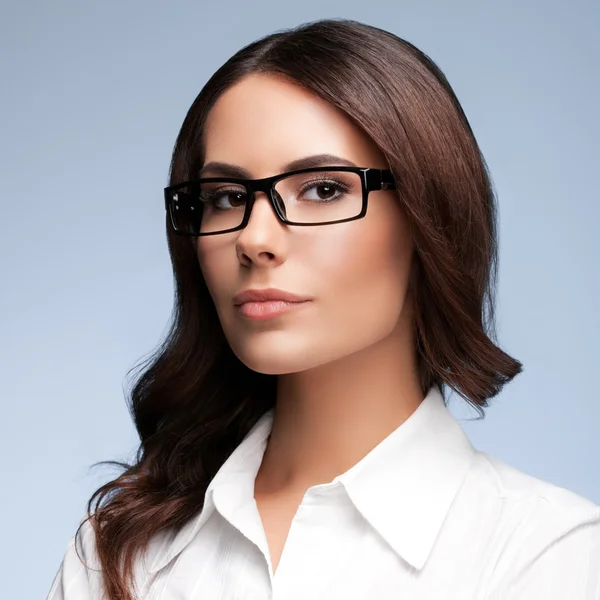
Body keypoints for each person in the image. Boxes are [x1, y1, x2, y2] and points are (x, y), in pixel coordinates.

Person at [46, 17, 600, 600]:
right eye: (226, 198)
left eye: (323, 189)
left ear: (427, 216)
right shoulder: (117, 555)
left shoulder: (548, 557)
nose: (255, 238)